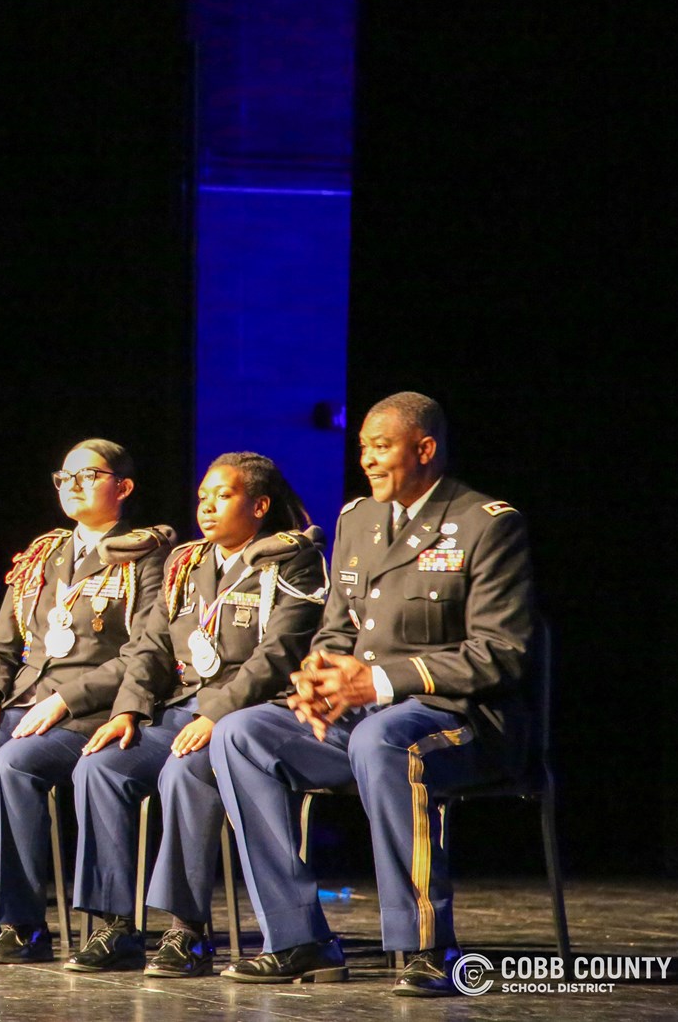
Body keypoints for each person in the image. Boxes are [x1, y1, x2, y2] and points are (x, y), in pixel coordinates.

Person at [211, 392, 535, 996]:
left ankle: (425, 946)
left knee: (385, 740)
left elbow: (502, 652)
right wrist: (316, 676)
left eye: (381, 447)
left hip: (459, 723)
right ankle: (297, 937)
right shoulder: (357, 519)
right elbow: (337, 626)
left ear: (425, 449)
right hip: (361, 720)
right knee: (241, 733)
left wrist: (379, 680)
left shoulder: (486, 523)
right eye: (362, 448)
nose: (367, 459)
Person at [64, 453, 326, 974]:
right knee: (100, 765)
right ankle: (117, 927)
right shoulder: (186, 562)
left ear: (260, 504)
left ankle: (187, 931)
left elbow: (279, 654)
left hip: (247, 716)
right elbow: (151, 649)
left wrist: (218, 713)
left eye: (222, 496)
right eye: (203, 496)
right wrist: (129, 711)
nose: (206, 507)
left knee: (186, 772)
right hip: (181, 711)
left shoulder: (289, 560)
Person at [0, 439, 170, 964]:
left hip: (87, 711)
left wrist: (66, 701)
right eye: (64, 477)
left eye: (88, 475)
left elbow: (143, 653)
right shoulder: (43, 554)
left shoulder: (147, 556)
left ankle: (23, 923)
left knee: (12, 767)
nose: (72, 485)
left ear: (122, 488)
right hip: (22, 703)